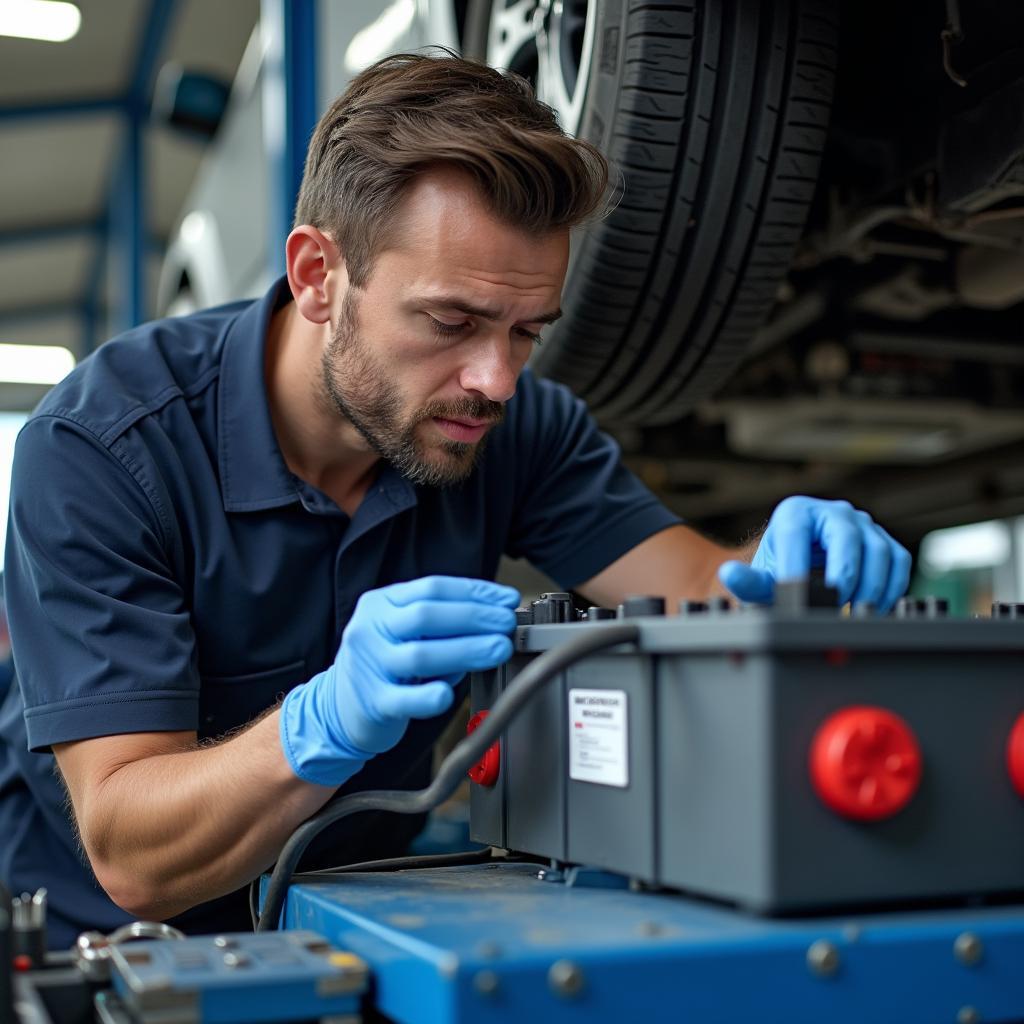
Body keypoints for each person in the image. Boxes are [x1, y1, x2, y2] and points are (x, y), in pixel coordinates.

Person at [0, 53, 910, 949]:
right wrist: (322, 721)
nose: (495, 380)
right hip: (114, 952)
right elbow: (131, 851)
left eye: (526, 332)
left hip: (362, 919)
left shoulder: (516, 426)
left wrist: (791, 565)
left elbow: (703, 586)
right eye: (451, 322)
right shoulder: (104, 451)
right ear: (320, 275)